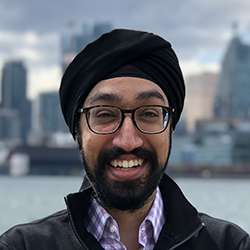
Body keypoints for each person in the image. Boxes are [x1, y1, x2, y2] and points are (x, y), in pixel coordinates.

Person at [0, 29, 249, 250]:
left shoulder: (232, 244)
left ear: (170, 127)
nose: (128, 141)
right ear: (78, 131)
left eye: (149, 114)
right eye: (105, 114)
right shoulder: (20, 246)